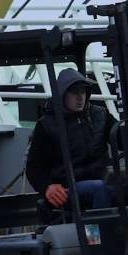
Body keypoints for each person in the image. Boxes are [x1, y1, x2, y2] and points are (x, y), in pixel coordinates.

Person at [25, 68, 118, 211]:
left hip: (102, 179)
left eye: (83, 91)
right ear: (62, 94)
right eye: (75, 92)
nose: (80, 97)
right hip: (68, 187)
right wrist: (47, 187)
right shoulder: (47, 125)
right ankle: (104, 233)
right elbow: (34, 168)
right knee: (100, 189)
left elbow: (122, 140)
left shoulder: (101, 115)